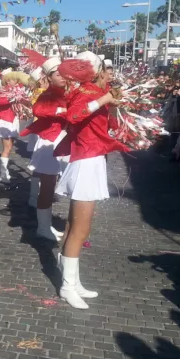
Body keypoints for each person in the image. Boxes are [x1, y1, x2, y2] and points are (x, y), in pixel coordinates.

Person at [54, 52, 126, 309]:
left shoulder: (92, 91)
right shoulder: (86, 92)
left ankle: (72, 280)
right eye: (100, 67)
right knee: (80, 229)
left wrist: (112, 106)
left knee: (75, 226)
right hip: (85, 162)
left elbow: (107, 127)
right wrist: (104, 99)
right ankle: (66, 286)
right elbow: (73, 117)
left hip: (92, 159)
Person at [19, 57, 67, 242]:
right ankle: (43, 227)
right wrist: (62, 111)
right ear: (49, 77)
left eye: (64, 74)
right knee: (47, 187)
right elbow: (38, 110)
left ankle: (46, 225)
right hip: (49, 143)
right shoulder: (47, 95)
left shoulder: (66, 92)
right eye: (58, 74)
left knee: (52, 187)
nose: (62, 77)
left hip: (62, 141)